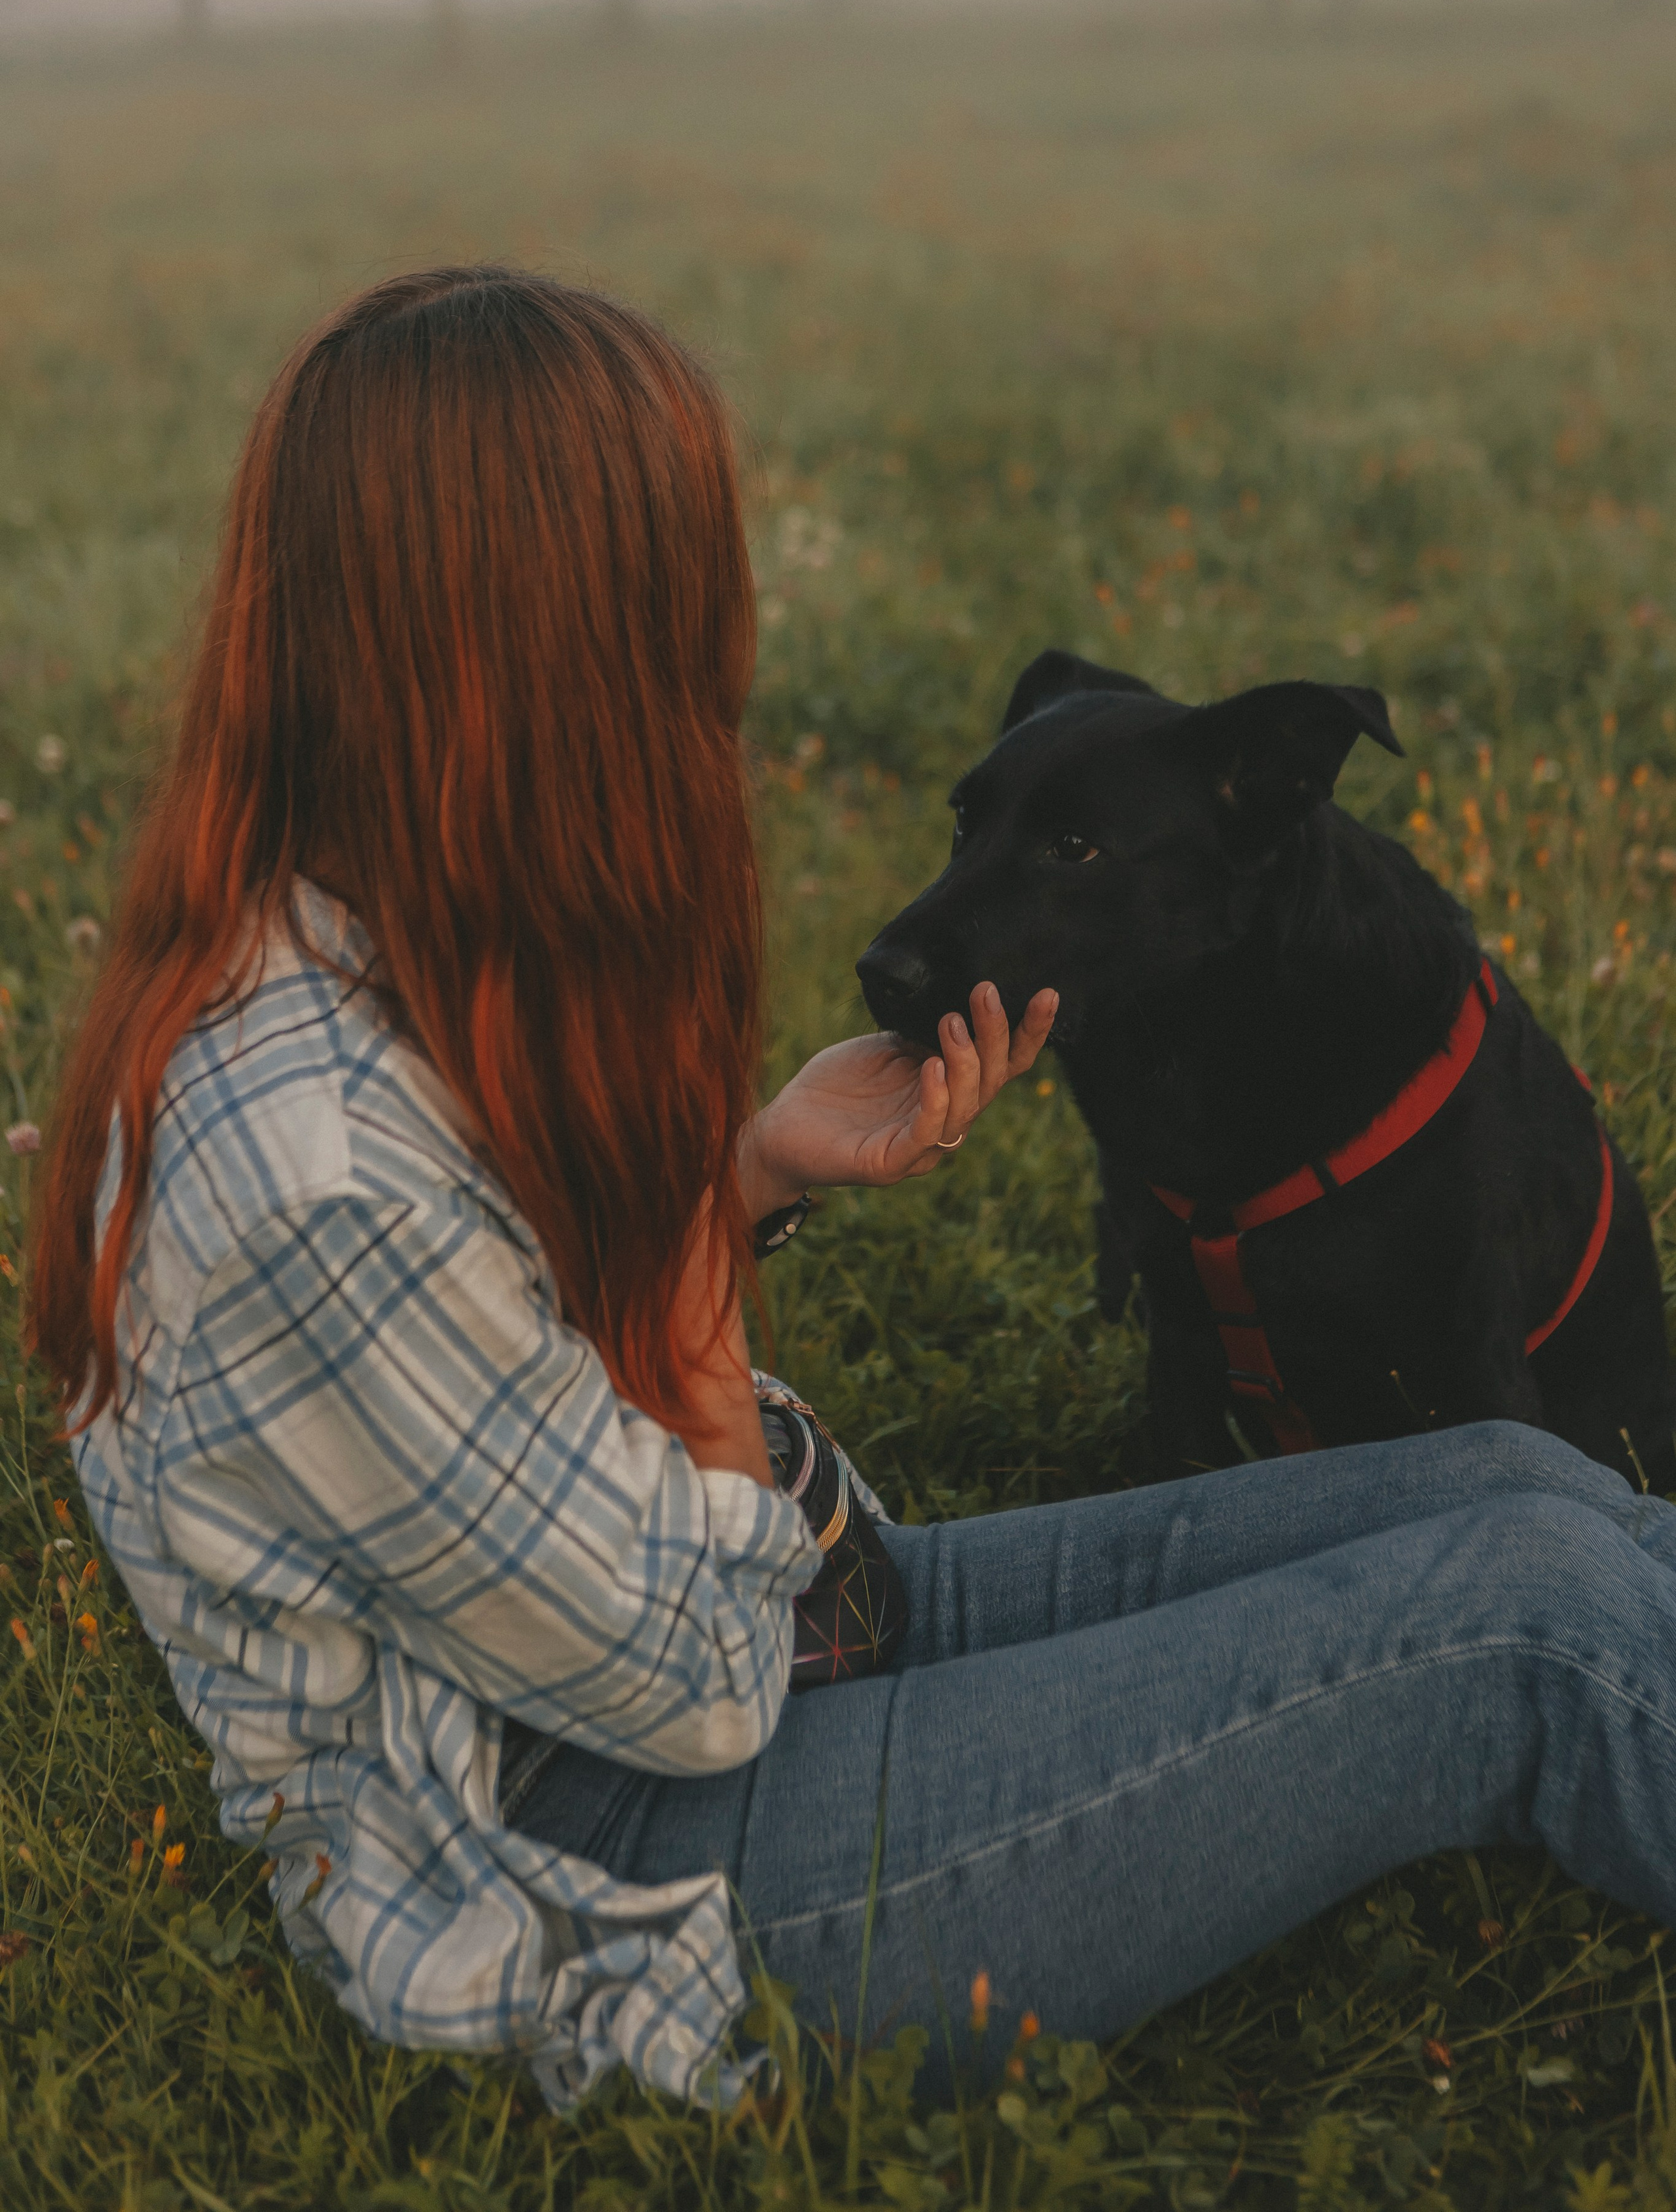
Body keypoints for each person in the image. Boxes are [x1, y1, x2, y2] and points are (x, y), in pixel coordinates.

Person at [28, 266, 1676, 2117]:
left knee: (1518, 1485)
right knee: (1530, 1618)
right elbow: (690, 1681)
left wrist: (740, 1174)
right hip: (646, 1877)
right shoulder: (308, 1173)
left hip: (800, 1635)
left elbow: (506, 1367)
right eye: (680, 607)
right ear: (540, 650)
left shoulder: (345, 938)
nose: (717, 679)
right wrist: (703, 1320)